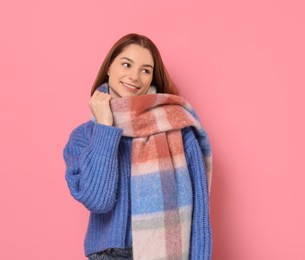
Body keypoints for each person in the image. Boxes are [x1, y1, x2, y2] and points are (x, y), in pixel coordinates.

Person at [63, 33, 212, 260]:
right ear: (109, 68)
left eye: (145, 70)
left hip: (168, 252)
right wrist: (105, 127)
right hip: (108, 255)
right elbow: (98, 200)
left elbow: (200, 208)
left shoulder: (176, 126)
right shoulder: (84, 136)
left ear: (152, 77)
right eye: (126, 64)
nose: (135, 76)